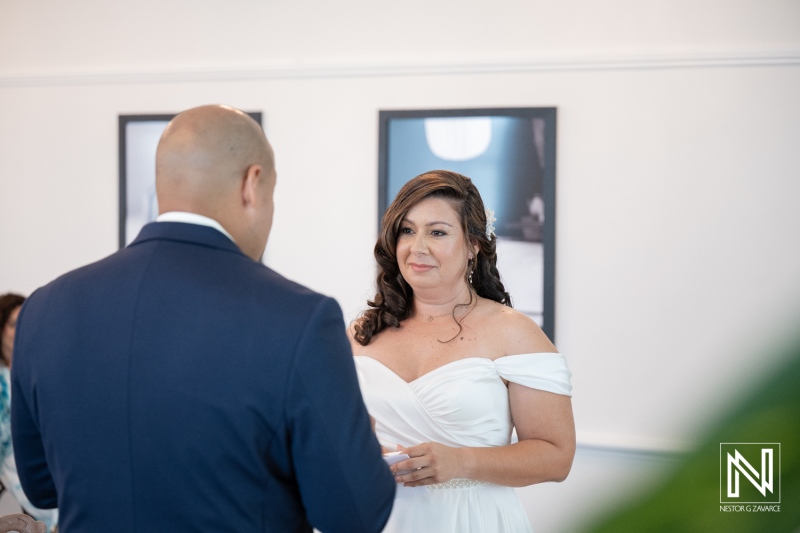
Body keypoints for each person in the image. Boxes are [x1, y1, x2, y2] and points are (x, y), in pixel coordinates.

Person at [12, 104, 395, 532]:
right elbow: (355, 515)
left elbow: (41, 487)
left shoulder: (44, 309)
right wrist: (356, 443)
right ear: (253, 184)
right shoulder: (300, 318)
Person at [350, 170, 575, 532]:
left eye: (437, 232)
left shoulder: (513, 331)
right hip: (377, 518)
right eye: (407, 230)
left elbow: (556, 457)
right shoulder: (362, 332)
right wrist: (356, 456)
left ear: (473, 246)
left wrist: (461, 462)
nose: (417, 247)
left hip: (471, 520)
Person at [1, 293, 59, 531]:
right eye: (13, 324)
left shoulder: (43, 372)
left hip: (53, 478)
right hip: (16, 488)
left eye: (25, 321)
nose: (20, 330)